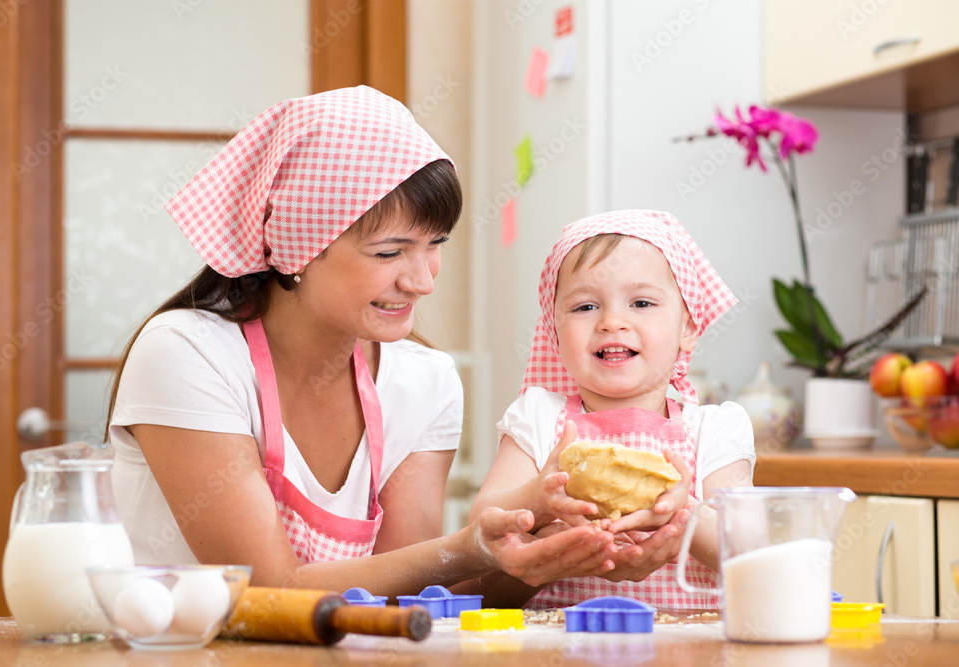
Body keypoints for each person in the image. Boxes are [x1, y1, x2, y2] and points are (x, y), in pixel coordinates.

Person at [105, 86, 617, 600]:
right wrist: (468, 548)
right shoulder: (186, 355)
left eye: (434, 245)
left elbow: (410, 592)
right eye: (389, 252)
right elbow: (268, 589)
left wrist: (544, 549)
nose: (422, 281)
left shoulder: (424, 381)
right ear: (298, 249)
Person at [471, 209, 755, 610]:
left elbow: (750, 552)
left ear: (688, 327)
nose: (612, 321)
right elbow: (482, 524)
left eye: (641, 302)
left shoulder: (714, 429)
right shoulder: (538, 418)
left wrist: (684, 512)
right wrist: (538, 498)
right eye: (585, 307)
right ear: (554, 329)